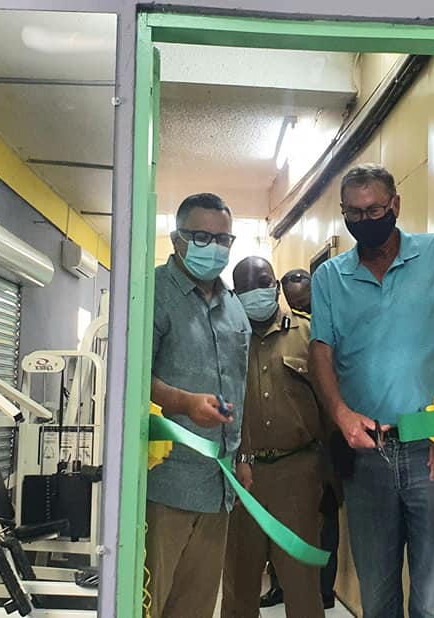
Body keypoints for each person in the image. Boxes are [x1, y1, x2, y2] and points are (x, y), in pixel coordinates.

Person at [309, 164, 434, 617]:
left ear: (395, 205)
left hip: (432, 450)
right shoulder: (330, 278)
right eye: (353, 213)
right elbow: (321, 354)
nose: (365, 220)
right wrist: (340, 415)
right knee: (378, 598)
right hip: (366, 454)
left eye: (374, 209)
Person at [145, 193, 250, 618]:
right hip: (166, 483)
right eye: (202, 236)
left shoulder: (235, 308)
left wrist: (244, 456)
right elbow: (131, 379)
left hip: (218, 486)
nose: (216, 247)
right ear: (177, 239)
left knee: (197, 606)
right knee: (150, 601)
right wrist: (184, 402)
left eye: (224, 239)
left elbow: (242, 389)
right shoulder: (151, 293)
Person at [221, 256, 326, 618]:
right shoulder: (224, 338)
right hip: (239, 480)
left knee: (302, 586)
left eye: (263, 283)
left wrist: (330, 474)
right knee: (238, 583)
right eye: (247, 288)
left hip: (296, 474)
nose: (257, 293)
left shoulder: (309, 334)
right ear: (236, 294)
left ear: (276, 286)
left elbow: (329, 402)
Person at [261, 267, 342, 611]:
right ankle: (280, 584)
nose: (300, 311)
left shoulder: (324, 330)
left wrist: (333, 462)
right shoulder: (274, 333)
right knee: (279, 530)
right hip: (281, 461)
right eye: (295, 305)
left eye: (305, 303)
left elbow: (331, 400)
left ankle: (324, 589)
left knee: (323, 526)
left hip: (320, 450)